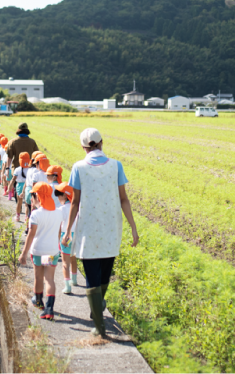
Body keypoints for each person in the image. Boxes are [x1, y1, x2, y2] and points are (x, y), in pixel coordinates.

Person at [64, 128, 139, 337]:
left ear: (83, 147)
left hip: (88, 229)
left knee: (92, 277)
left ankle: (98, 324)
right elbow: (124, 198)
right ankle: (97, 312)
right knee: (105, 273)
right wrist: (133, 227)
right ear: (102, 142)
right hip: (111, 228)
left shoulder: (78, 167)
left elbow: (75, 202)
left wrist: (67, 230)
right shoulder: (116, 165)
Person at [19, 182, 63, 320]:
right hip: (51, 252)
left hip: (38, 251)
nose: (31, 198)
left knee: (38, 277)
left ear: (37, 196)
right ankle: (49, 309)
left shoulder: (35, 215)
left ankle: (38, 301)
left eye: (32, 195)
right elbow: (58, 232)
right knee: (49, 279)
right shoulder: (58, 213)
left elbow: (31, 234)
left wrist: (23, 253)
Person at [55, 182, 78, 294]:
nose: (57, 197)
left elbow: (59, 226)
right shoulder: (77, 207)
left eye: (58, 194)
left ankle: (67, 286)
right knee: (73, 259)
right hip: (76, 235)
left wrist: (58, 239)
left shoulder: (62, 209)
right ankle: (74, 280)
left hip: (66, 235)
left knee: (65, 262)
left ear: (65, 195)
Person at [8, 152, 30, 221]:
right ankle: (26, 217)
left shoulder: (17, 169)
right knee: (26, 204)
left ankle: (17, 216)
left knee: (19, 203)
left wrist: (10, 186)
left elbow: (13, 179)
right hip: (27, 186)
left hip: (19, 186)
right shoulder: (30, 169)